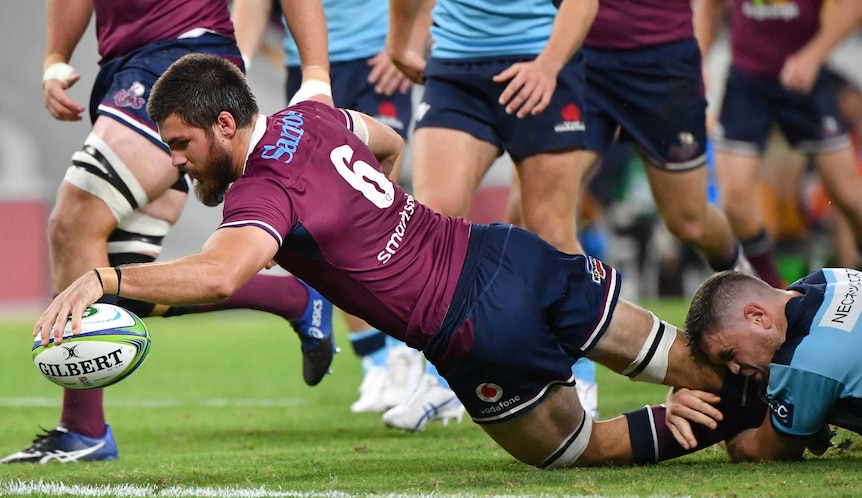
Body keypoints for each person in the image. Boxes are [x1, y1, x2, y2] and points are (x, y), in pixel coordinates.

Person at [34, 53, 733, 469]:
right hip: (506, 252)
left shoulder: (260, 190)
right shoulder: (315, 117)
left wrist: (104, 276)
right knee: (691, 356)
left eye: (182, 144)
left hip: (472, 332)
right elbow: (391, 140)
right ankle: (792, 387)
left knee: (581, 447)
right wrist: (381, 220)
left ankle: (737, 420)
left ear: (224, 124)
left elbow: (220, 273)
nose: (178, 163)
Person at [0, 0, 333, 465]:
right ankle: (293, 299)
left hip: (182, 58)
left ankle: (82, 428)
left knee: (75, 219)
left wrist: (316, 77)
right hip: (120, 66)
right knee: (121, 285)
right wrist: (55, 58)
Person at [385, 0, 603, 427]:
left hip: (541, 60)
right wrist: (396, 45)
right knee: (432, 226)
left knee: (551, 229)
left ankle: (581, 375)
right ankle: (440, 380)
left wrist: (548, 64)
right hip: (454, 68)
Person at [232, 0, 430, 415]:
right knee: (322, 221)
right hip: (305, 67)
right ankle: (375, 358)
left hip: (375, 62)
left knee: (373, 201)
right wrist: (236, 65)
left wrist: (406, 44)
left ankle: (408, 351)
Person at [577, 0, 754, 282]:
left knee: (690, 223)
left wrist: (700, 58)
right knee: (543, 208)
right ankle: (570, 317)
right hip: (582, 59)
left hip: (661, 64)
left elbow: (709, 4)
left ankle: (742, 273)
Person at [695, 0, 862, 288]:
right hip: (747, 81)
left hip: (805, 79)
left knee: (848, 195)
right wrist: (697, 65)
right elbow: (708, 5)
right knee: (734, 200)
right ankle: (774, 289)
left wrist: (814, 54)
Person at [664, 269, 862, 462]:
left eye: (729, 354)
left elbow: (765, 450)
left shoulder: (801, 363)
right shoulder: (830, 277)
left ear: (758, 317)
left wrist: (724, 428)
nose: (734, 369)